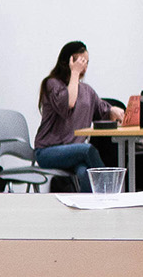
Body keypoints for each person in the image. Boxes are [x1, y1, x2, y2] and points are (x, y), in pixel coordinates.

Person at [34, 41, 110, 190]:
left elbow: (102, 111)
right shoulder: (52, 84)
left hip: (74, 152)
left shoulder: (86, 90)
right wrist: (74, 73)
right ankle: (110, 189)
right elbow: (68, 103)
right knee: (88, 149)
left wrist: (117, 111)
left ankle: (90, 209)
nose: (84, 66)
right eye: (81, 61)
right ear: (68, 61)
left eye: (86, 62)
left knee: (84, 171)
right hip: (48, 151)